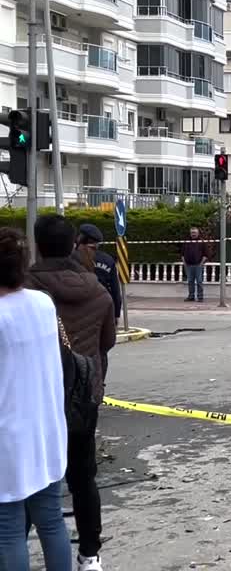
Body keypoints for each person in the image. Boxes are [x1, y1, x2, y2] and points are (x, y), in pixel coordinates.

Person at [26, 215, 116, 571]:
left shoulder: (25, 290)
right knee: (83, 477)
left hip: (37, 397)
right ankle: (90, 554)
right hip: (83, 393)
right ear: (73, 246)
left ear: (37, 245)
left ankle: (17, 547)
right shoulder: (98, 291)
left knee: (32, 478)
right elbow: (107, 342)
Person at [0, 227, 73, 571]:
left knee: (8, 531)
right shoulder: (42, 303)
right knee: (51, 521)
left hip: (9, 441)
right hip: (47, 433)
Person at [76, 223, 121, 320]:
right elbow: (115, 289)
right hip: (103, 309)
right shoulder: (108, 260)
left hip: (80, 310)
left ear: (80, 238)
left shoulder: (73, 258)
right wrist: (116, 314)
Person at [181, 226, 208, 302]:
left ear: (198, 233)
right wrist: (184, 263)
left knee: (199, 281)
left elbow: (206, 255)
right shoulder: (186, 242)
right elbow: (182, 254)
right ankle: (191, 296)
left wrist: (201, 263)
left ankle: (200, 297)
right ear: (190, 233)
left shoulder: (202, 242)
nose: (193, 234)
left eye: (195, 232)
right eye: (192, 232)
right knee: (190, 281)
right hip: (188, 265)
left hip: (198, 265)